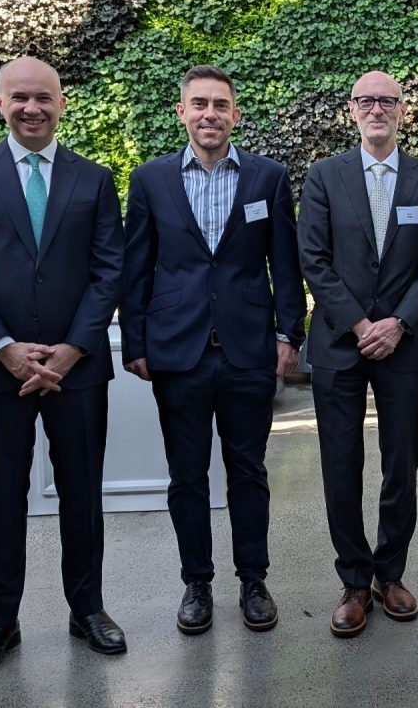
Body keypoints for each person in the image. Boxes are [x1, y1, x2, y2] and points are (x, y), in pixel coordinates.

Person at [0, 56, 127, 678]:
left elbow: (108, 274)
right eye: (19, 97)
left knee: (83, 493)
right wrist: (6, 348)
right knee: (0, 497)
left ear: (62, 102)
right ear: (0, 104)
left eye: (43, 97)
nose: (32, 108)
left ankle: (87, 608)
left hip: (79, 371)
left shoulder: (95, 180)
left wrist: (72, 350)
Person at [119, 65, 305, 636]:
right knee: (186, 476)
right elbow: (137, 269)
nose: (209, 114)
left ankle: (254, 580)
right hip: (179, 354)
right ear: (182, 112)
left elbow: (286, 264)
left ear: (235, 115)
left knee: (248, 471)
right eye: (199, 104)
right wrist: (136, 342)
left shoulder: (267, 179)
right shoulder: (151, 181)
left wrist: (288, 334)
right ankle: (196, 584)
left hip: (249, 352)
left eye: (220, 105)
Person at [298, 71, 418, 637]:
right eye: (367, 101)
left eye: (388, 101)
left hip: (403, 344)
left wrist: (398, 322)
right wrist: (362, 323)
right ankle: (354, 580)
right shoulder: (323, 177)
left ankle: (390, 574)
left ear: (403, 111)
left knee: (400, 464)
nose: (377, 109)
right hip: (340, 343)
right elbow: (312, 258)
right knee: (341, 464)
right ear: (352, 111)